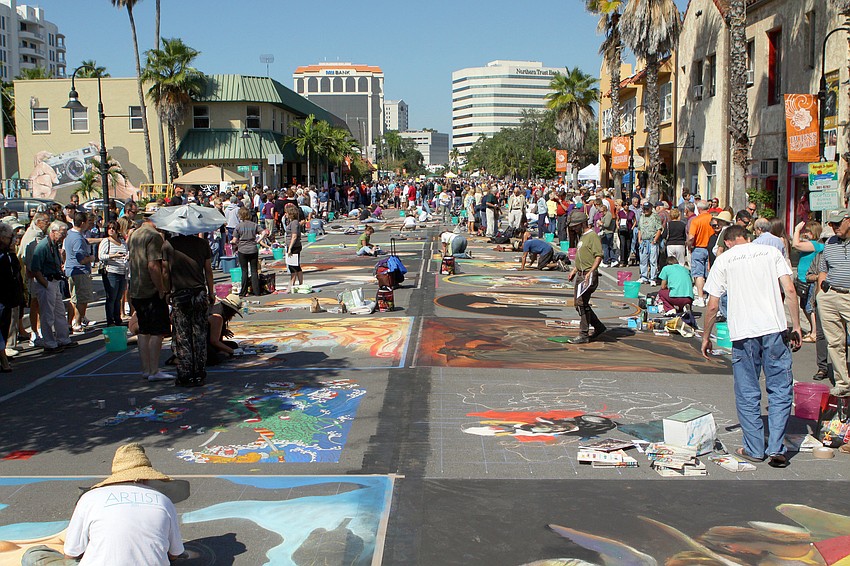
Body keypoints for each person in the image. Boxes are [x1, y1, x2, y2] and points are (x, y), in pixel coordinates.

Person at [701, 225, 801, 468]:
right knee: (780, 388)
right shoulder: (770, 252)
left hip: (744, 332)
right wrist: (796, 325)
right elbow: (789, 290)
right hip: (774, 329)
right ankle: (776, 447)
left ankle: (755, 448)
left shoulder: (724, 260)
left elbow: (713, 305)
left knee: (747, 391)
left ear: (729, 242)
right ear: (748, 237)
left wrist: (706, 336)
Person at [21, 443, 184, 565]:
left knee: (34, 555)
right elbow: (175, 553)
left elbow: (71, 553)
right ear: (147, 477)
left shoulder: (91, 497)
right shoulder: (163, 501)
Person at [127, 216, 174, 382]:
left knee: (144, 330)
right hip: (150, 288)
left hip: (136, 287)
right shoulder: (153, 236)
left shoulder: (134, 234)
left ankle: (147, 369)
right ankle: (154, 370)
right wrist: (161, 288)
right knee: (157, 331)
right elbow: (153, 265)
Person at [29, 222, 80, 354]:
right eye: (62, 233)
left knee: (59, 311)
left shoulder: (53, 245)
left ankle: (63, 338)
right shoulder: (43, 246)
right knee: (47, 314)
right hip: (46, 281)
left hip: (54, 281)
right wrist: (45, 284)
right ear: (53, 231)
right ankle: (49, 343)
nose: (65, 236)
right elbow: (35, 268)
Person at [815, 208, 850, 397]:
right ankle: (843, 383)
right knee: (835, 342)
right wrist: (820, 295)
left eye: (838, 223)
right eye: (832, 224)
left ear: (848, 220)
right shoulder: (830, 243)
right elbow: (823, 270)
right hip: (830, 295)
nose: (834, 227)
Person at [566, 211, 605, 344]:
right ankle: (598, 326)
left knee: (582, 303)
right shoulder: (582, 236)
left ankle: (583, 334)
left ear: (583, 223)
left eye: (576, 226)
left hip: (588, 274)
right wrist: (574, 270)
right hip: (580, 273)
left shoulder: (592, 236)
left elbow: (598, 256)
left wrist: (591, 272)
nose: (574, 228)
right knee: (578, 304)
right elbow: (582, 257)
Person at [791, 221, 824, 342]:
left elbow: (796, 244)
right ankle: (813, 330)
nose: (806, 233)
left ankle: (815, 333)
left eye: (809, 231)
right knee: (804, 306)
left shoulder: (815, 245)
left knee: (810, 307)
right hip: (802, 279)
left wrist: (797, 230)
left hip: (809, 280)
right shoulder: (811, 243)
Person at [64, 212, 95, 334]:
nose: (88, 224)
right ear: (82, 223)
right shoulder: (77, 238)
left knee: (74, 298)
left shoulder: (69, 234)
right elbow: (81, 259)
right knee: (82, 299)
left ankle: (69, 323)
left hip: (71, 270)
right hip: (79, 271)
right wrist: (91, 258)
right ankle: (77, 322)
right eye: (87, 222)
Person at [0, 223, 23, 372]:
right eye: (9, 237)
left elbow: (16, 269)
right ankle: (3, 361)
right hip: (2, 296)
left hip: (9, 297)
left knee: (5, 325)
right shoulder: (2, 255)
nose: (12, 240)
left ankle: (4, 358)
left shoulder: (8, 254)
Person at [98, 221, 129, 327]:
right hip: (111, 271)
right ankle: (110, 320)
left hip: (122, 271)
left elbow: (127, 252)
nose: (111, 230)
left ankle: (117, 318)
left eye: (113, 228)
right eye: (109, 228)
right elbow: (101, 256)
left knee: (118, 297)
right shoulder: (106, 241)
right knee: (111, 297)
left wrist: (127, 256)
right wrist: (113, 256)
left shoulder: (122, 242)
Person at [688, 200, 714, 306]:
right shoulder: (712, 219)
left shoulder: (696, 220)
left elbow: (691, 237)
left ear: (698, 209)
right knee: (710, 273)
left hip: (699, 247)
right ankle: (708, 296)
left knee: (698, 274)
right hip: (711, 247)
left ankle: (700, 297)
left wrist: (689, 245)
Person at [232, 208, 260, 297]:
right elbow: (264, 232)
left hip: (242, 249)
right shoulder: (254, 225)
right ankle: (256, 291)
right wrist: (258, 240)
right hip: (253, 248)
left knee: (244, 271)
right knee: (254, 270)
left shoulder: (238, 226)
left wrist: (234, 243)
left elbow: (234, 239)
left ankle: (243, 291)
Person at [636, 201, 663, 284]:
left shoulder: (655, 217)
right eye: (644, 209)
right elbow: (640, 228)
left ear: (651, 208)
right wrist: (639, 239)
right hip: (644, 241)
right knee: (643, 260)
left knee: (653, 261)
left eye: (647, 209)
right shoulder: (642, 217)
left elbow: (659, 229)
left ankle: (653, 278)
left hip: (652, 241)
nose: (646, 210)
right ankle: (643, 276)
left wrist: (655, 240)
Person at [284, 204, 304, 292]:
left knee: (293, 266)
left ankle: (292, 284)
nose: (285, 215)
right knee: (295, 266)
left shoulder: (294, 223)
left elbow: (294, 236)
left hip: (294, 247)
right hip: (292, 246)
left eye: (287, 213)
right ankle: (299, 284)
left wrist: (290, 248)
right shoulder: (292, 222)